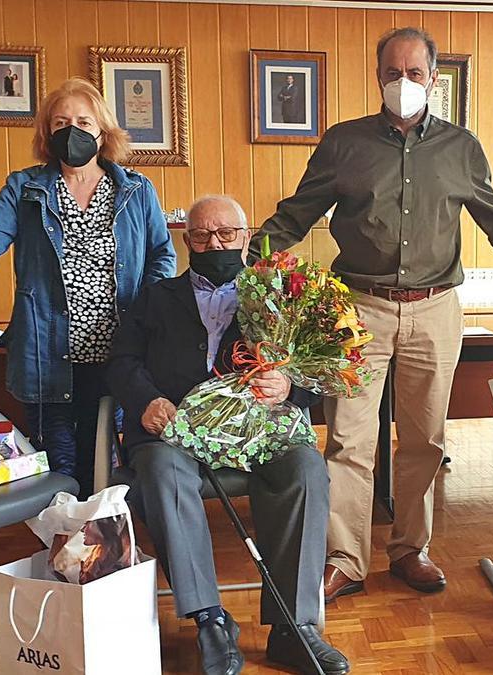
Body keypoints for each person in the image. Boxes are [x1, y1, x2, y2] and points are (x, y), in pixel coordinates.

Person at [251, 26, 493, 603]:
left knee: (425, 437)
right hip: (356, 312)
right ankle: (345, 558)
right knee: (348, 439)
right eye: (392, 73)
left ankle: (410, 549)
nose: (403, 82)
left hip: (436, 308)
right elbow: (294, 216)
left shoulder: (460, 148)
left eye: (414, 73)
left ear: (433, 78)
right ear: (378, 78)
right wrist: (246, 259)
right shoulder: (343, 144)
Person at [0, 77, 176, 496]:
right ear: (46, 133)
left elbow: (161, 257)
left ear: (102, 131)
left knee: (101, 465)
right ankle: (64, 546)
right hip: (47, 356)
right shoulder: (26, 189)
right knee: (58, 468)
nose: (71, 131)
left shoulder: (135, 190)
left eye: (82, 121)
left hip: (117, 353)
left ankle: (97, 551)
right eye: (60, 123)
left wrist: (148, 321)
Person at [106, 195, 349, 675]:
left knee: (305, 469)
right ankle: (210, 621)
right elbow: (121, 363)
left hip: (260, 431)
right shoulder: (153, 298)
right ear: (186, 241)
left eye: (226, 235)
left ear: (246, 236)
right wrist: (146, 401)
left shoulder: (279, 296)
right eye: (201, 236)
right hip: (174, 431)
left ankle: (293, 627)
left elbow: (317, 373)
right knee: (158, 470)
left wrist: (287, 385)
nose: (213, 243)